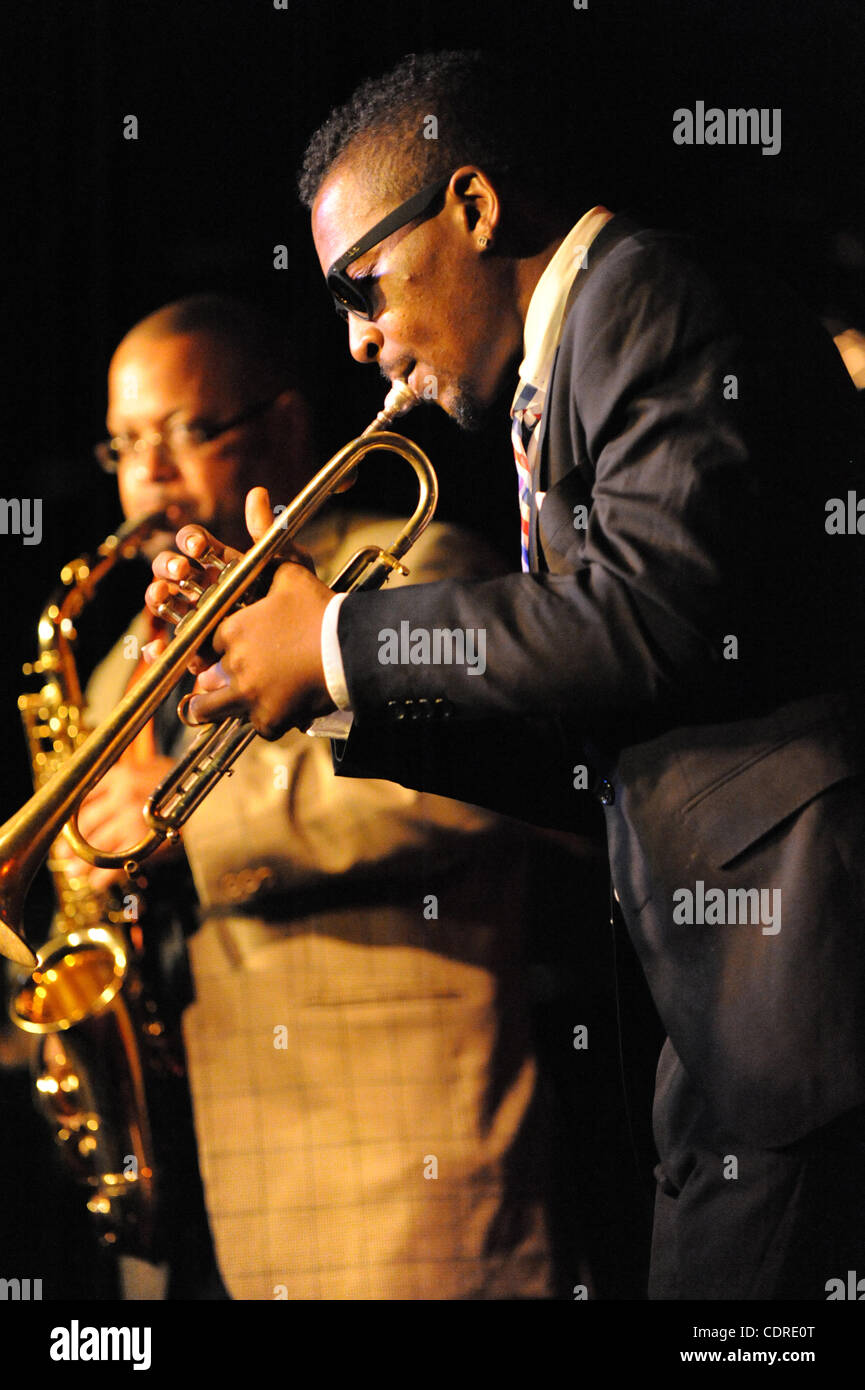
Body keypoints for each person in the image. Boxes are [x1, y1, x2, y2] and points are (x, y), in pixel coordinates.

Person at [148, 53, 865, 1301]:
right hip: (733, 1023)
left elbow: (647, 613)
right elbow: (592, 732)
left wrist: (337, 640)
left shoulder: (641, 294)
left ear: (473, 208)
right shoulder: (564, 374)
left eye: (361, 284)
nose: (362, 341)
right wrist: (323, 691)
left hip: (805, 989)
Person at [75, 291, 584, 1300]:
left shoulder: (418, 565)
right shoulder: (115, 674)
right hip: (205, 1186)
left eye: (186, 431)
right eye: (125, 444)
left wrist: (188, 824)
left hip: (402, 1182)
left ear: (287, 425)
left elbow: (471, 785)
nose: (149, 477)